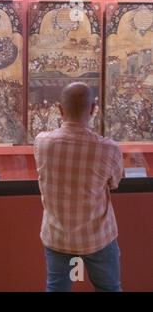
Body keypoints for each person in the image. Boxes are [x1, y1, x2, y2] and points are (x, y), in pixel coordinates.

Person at [34, 82, 124, 292]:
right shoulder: (108, 149)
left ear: (59, 109)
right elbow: (114, 183)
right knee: (109, 288)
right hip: (98, 236)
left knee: (56, 288)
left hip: (57, 235)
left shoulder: (42, 143)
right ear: (93, 108)